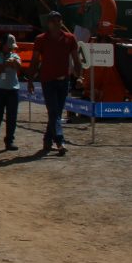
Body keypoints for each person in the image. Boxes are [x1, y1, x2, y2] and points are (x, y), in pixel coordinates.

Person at [28, 10, 82, 155]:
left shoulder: (70, 38)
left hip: (64, 81)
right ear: (49, 23)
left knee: (56, 112)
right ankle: (59, 141)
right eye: (54, 21)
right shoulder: (40, 39)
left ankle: (47, 141)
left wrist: (79, 75)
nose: (58, 24)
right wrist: (30, 80)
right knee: (53, 112)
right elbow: (34, 61)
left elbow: (76, 60)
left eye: (59, 21)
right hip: (48, 81)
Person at [0, 35, 23, 151]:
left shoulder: (15, 55)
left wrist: (13, 63)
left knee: (12, 116)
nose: (11, 49)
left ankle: (9, 141)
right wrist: (4, 65)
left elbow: (19, 68)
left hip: (13, 89)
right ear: (3, 45)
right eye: (9, 46)